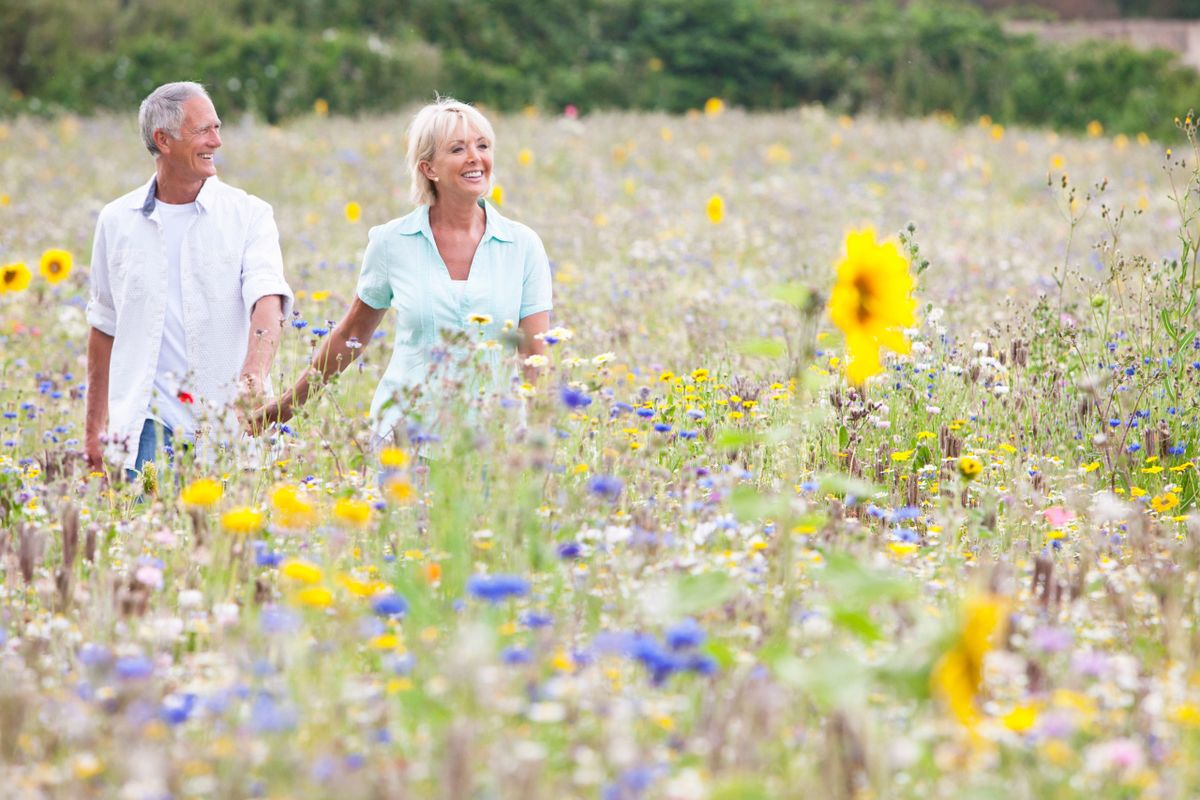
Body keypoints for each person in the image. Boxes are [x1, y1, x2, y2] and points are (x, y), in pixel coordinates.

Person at [247, 97, 551, 447]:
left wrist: (538, 437)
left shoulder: (523, 245)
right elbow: (351, 335)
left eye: (482, 145)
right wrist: (282, 410)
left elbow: (536, 353)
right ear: (428, 168)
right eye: (457, 148)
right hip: (403, 439)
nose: (475, 157)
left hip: (492, 443)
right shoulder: (392, 242)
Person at [85, 81, 294, 479]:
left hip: (229, 424)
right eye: (204, 130)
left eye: (217, 128)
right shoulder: (116, 221)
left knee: (226, 540)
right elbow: (103, 327)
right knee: (149, 537)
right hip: (145, 427)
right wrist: (94, 430)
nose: (216, 141)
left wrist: (253, 376)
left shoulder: (249, 214)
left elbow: (267, 299)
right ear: (163, 140)